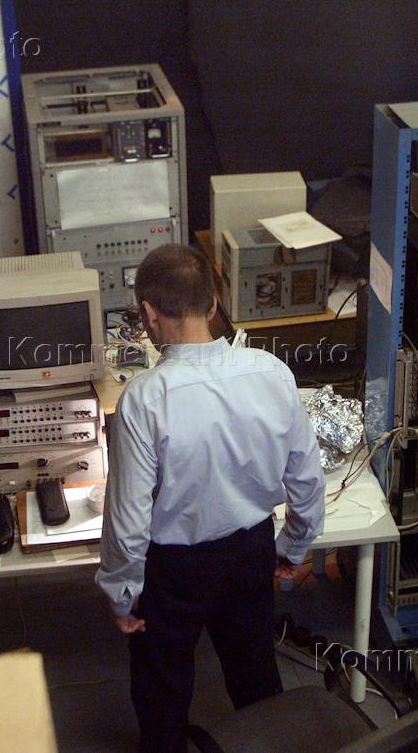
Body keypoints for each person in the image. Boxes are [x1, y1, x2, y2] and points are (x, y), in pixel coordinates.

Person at [96, 243, 325, 752]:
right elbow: (307, 480)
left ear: (148, 314)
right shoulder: (272, 372)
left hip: (174, 568)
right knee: (255, 672)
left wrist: (121, 593)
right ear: (214, 303)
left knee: (162, 685)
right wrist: (294, 547)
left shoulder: (143, 399)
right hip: (250, 550)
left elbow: (128, 520)